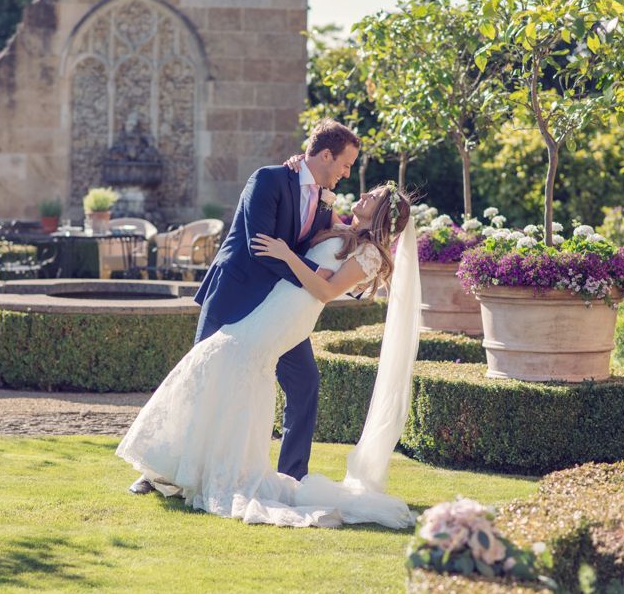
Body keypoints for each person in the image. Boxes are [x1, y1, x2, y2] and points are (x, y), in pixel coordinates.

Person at [116, 181, 421, 528]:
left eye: (374, 197)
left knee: (219, 360)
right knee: (215, 367)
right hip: (275, 306)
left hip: (289, 317)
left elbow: (326, 290)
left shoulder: (369, 255)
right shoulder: (345, 232)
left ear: (382, 213)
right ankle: (177, 470)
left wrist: (285, 254)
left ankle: (199, 472)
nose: (364, 195)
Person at [128, 120, 359, 496]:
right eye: (345, 165)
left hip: (279, 310)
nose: (347, 174)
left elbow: (344, 244)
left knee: (305, 384)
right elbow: (258, 246)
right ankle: (157, 472)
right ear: (326, 155)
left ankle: (292, 478)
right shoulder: (267, 180)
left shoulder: (324, 202)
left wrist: (336, 282)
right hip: (234, 295)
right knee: (198, 380)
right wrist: (315, 277)